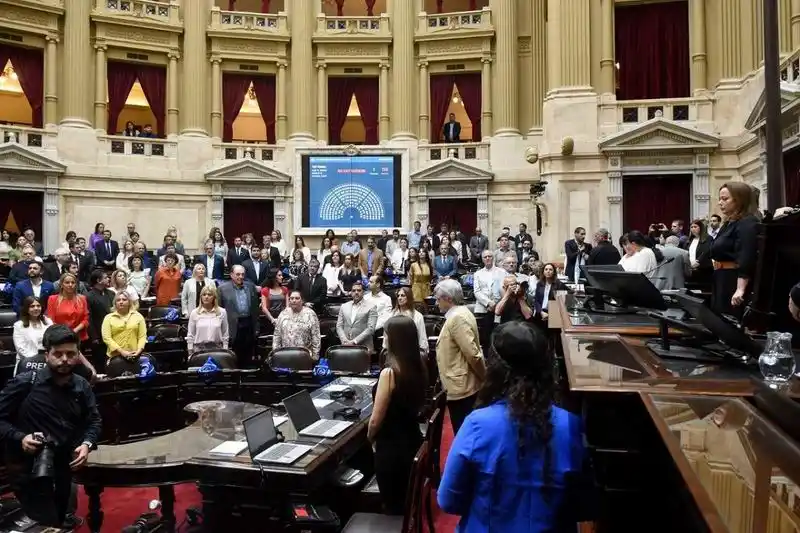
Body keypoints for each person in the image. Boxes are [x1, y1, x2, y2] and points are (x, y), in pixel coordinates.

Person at [439, 322, 585, 532]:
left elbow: (449, 500)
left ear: (495, 369)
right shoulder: (572, 425)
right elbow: (585, 506)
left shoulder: (477, 424)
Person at [0, 325, 102, 528]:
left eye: (71, 353)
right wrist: (20, 437)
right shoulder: (26, 382)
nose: (64, 359)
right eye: (58, 353)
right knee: (44, 523)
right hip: (30, 470)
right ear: (47, 355)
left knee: (60, 519)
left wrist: (87, 443)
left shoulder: (82, 385)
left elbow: (94, 420)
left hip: (64, 467)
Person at [368, 315, 428, 514]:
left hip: (392, 452)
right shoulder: (419, 364)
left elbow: (376, 420)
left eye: (386, 335)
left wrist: (369, 438)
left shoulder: (390, 373)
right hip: (411, 441)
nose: (383, 339)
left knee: (392, 505)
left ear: (395, 339)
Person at [434, 279, 485, 434]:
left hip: (462, 386)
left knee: (464, 433)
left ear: (448, 299)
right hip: (461, 382)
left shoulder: (457, 318)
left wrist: (484, 377)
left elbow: (473, 354)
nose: (436, 303)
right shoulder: (461, 313)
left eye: (438, 299)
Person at [710, 182, 759, 316]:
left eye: (725, 199)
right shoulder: (729, 223)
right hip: (721, 278)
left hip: (732, 281)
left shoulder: (748, 222)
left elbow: (746, 256)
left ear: (740, 200)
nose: (720, 203)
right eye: (720, 199)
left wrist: (740, 289)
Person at [272, 291, 321, 360]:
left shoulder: (310, 314)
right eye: (291, 298)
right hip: (285, 355)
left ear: (302, 301)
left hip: (304, 356)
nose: (294, 300)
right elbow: (277, 335)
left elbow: (316, 336)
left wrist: (315, 356)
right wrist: (276, 353)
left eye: (297, 298)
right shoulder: (283, 314)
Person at [101, 292, 147, 362]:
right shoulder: (108, 318)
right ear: (115, 303)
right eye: (118, 300)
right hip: (114, 357)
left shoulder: (138, 316)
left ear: (129, 302)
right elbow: (107, 338)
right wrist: (122, 352)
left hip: (134, 355)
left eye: (124, 299)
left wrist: (138, 351)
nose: (121, 302)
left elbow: (142, 336)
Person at [12, 297, 53, 374]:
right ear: (26, 308)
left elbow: (53, 341)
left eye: (38, 306)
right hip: (27, 364)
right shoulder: (19, 325)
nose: (36, 308)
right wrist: (37, 360)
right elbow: (21, 349)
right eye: (32, 306)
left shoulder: (48, 322)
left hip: (47, 362)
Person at [186, 285, 229, 354]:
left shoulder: (222, 312)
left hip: (217, 350)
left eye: (209, 295)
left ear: (214, 297)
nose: (206, 297)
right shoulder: (195, 313)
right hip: (199, 351)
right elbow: (191, 335)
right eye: (204, 294)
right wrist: (190, 351)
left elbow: (225, 334)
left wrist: (225, 350)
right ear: (201, 297)